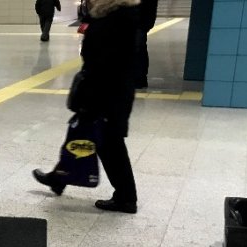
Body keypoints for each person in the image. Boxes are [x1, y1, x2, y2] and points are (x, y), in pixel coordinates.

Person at [33, 0, 140, 214]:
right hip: (111, 91)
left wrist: (89, 99)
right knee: (83, 134)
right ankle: (58, 179)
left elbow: (102, 64)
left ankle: (126, 198)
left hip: (106, 93)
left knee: (109, 145)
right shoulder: (117, 16)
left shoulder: (114, 20)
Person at [136, 0, 158, 88]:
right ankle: (140, 79)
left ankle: (139, 79)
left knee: (138, 50)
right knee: (140, 50)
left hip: (139, 23)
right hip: (140, 22)